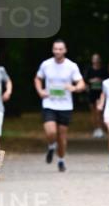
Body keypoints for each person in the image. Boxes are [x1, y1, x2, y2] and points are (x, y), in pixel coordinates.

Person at [34, 40, 86, 172]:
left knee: (62, 137)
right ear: (52, 50)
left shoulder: (71, 66)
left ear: (65, 50)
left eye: (60, 49)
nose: (57, 51)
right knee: (51, 132)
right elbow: (37, 78)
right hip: (49, 103)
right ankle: (51, 146)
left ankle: (61, 160)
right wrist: (40, 91)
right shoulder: (46, 64)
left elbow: (81, 84)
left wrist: (74, 88)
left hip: (65, 106)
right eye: (55, 49)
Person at [84, 53, 106, 138]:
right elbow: (85, 80)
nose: (95, 60)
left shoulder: (103, 70)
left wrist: (99, 80)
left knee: (99, 112)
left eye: (97, 59)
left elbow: (107, 79)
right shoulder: (89, 69)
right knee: (93, 112)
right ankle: (95, 129)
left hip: (100, 93)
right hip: (91, 93)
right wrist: (92, 81)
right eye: (94, 59)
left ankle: (100, 128)